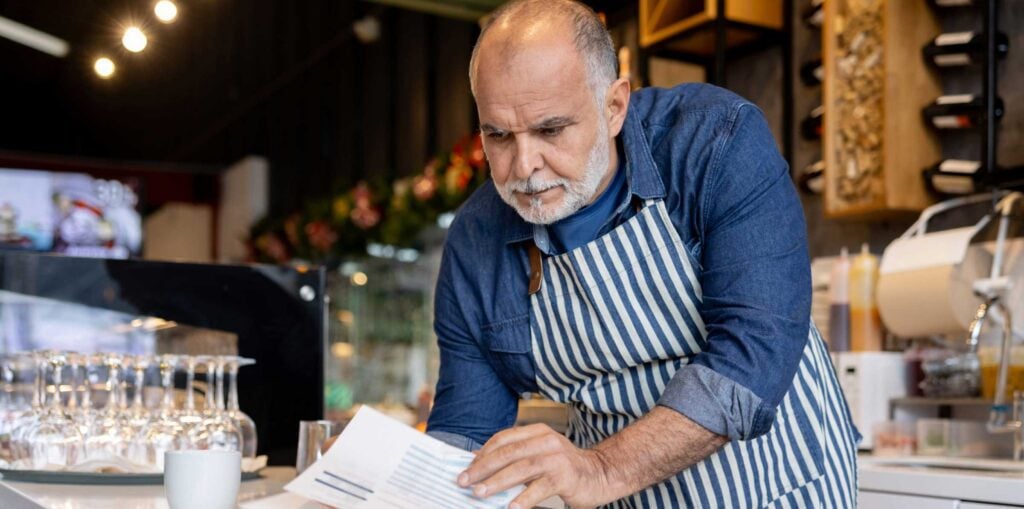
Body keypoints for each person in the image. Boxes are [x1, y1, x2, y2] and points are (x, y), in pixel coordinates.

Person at [425, 1, 860, 507]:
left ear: (614, 107)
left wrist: (601, 469)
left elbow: (751, 357)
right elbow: (467, 430)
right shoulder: (476, 240)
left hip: (779, 488)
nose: (525, 166)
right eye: (498, 136)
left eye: (550, 130)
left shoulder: (715, 142)